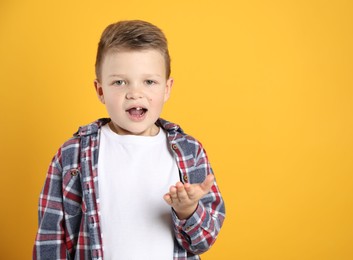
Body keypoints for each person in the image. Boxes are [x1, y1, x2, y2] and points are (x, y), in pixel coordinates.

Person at [33, 20, 225, 260]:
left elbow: (203, 241)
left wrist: (188, 210)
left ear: (167, 88)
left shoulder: (189, 152)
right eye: (119, 82)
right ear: (100, 90)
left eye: (149, 81)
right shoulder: (72, 155)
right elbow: (51, 238)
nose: (135, 92)